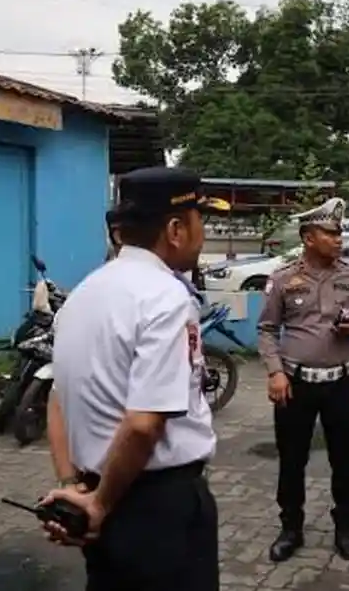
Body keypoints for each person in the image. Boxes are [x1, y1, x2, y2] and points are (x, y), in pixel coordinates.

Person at [41, 166, 219, 591]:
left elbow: (57, 398)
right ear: (175, 229)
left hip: (100, 491)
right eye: (200, 221)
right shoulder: (166, 298)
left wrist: (75, 489)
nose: (203, 233)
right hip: (157, 506)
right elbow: (144, 423)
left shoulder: (85, 291)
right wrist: (99, 505)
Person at [258, 197, 349, 563]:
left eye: (339, 232)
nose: (338, 238)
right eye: (330, 232)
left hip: (341, 382)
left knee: (345, 458)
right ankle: (291, 527)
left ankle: (345, 527)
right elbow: (266, 329)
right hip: (296, 384)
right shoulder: (283, 278)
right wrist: (276, 372)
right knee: (292, 459)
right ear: (309, 237)